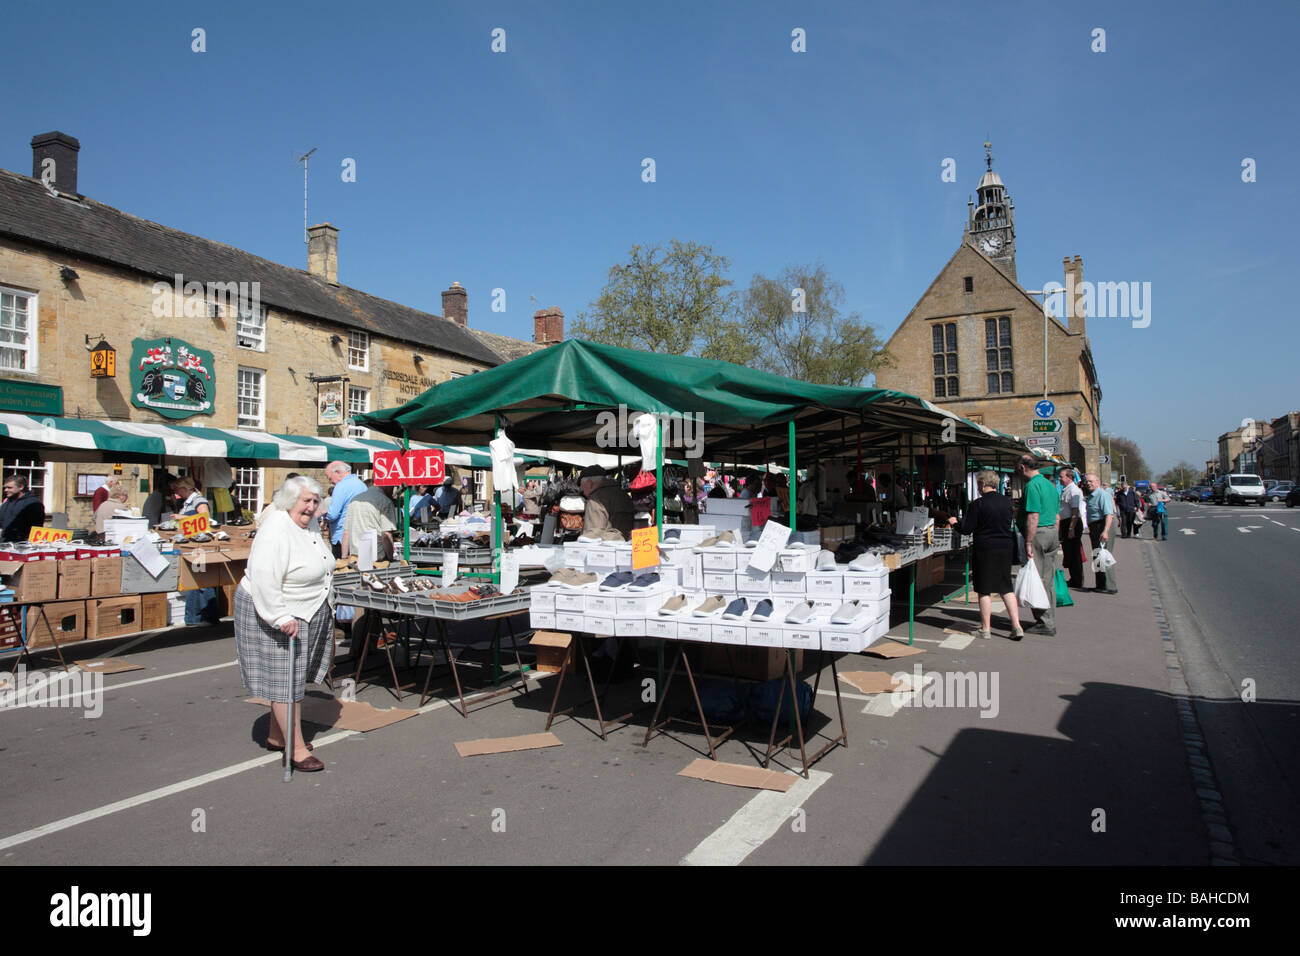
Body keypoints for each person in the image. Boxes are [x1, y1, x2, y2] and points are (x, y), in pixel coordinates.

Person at [234, 476, 333, 773]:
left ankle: (278, 735)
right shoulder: (275, 527)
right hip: (276, 609)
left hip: (306, 607)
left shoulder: (309, 523)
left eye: (315, 501)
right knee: (284, 681)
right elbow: (265, 576)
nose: (311, 507)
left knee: (294, 676)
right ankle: (296, 749)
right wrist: (279, 616)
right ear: (290, 500)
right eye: (306, 501)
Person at [947, 470, 1024, 640]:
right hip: (1005, 547)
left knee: (984, 589)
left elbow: (966, 529)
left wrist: (954, 523)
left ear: (982, 484)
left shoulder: (978, 504)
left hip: (985, 548)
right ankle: (1017, 625)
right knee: (1006, 587)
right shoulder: (1006, 502)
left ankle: (986, 628)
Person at [1016, 454, 1061, 636]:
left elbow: (1033, 516)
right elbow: (1057, 514)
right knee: (1047, 579)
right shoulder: (1049, 486)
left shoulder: (1033, 486)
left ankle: (1045, 622)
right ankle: (1049, 619)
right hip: (1050, 531)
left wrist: (1028, 541)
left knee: (1038, 578)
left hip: (1039, 533)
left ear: (1022, 467)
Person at [174, 477, 221, 625]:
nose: (176, 493)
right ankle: (194, 617)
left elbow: (204, 518)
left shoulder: (198, 500)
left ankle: (209, 616)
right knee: (194, 581)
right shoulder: (189, 501)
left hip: (200, 547)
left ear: (183, 489)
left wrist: (181, 517)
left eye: (177, 489)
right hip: (193, 546)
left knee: (203, 581)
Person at [323, 461, 367, 558]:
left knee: (341, 569)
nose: (330, 482)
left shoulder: (340, 486)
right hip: (359, 535)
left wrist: (326, 516)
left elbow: (333, 514)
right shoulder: (361, 485)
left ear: (338, 472)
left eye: (329, 478)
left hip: (341, 538)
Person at [1083, 473, 1118, 594]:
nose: (1088, 484)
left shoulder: (1103, 495)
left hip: (1103, 525)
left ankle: (1110, 585)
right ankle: (1100, 585)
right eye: (1087, 482)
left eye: (1091, 481)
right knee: (1097, 555)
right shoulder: (1092, 496)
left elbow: (1108, 514)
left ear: (1098, 482)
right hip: (1095, 527)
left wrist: (1105, 531)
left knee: (1104, 555)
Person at [579, 465, 634, 539]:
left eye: (581, 486)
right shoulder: (623, 494)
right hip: (625, 545)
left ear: (590, 483)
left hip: (605, 548)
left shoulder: (595, 499)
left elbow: (592, 535)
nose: (581, 490)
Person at [1058, 468, 1087, 589]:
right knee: (1069, 552)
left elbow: (1075, 510)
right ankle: (1073, 578)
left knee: (1074, 553)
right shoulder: (1066, 490)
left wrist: (1071, 528)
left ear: (1069, 478)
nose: (1059, 478)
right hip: (1067, 522)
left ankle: (1077, 580)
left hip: (1071, 522)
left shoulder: (1073, 490)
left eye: (1061, 476)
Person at [0, 475, 45, 542]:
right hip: (6, 543)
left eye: (9, 488)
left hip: (22, 545)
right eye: (5, 488)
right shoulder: (7, 502)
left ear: (21, 487)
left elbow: (35, 528)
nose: (5, 490)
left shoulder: (34, 504)